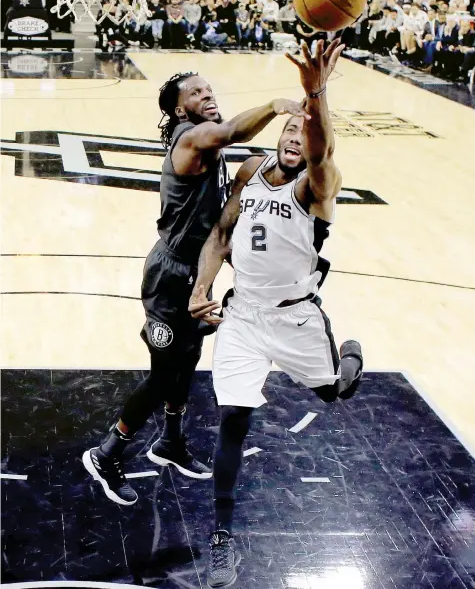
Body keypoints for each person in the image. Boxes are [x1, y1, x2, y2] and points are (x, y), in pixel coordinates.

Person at [82, 72, 310, 506]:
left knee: (186, 361)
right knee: (163, 373)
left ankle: (170, 442)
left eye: (209, 89)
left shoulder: (205, 144)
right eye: (196, 93)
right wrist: (274, 106)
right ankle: (107, 451)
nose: (207, 95)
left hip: (194, 271)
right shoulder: (191, 139)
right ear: (179, 109)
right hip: (169, 276)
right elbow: (228, 131)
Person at [189, 40, 363, 587]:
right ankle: (222, 537)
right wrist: (202, 286)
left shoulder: (318, 186)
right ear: (277, 136)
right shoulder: (249, 171)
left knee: (333, 391)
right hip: (243, 317)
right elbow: (220, 233)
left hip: (295, 319)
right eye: (289, 129)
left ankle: (349, 361)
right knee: (233, 419)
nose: (295, 137)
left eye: (303, 132)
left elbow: (321, 152)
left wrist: (316, 94)